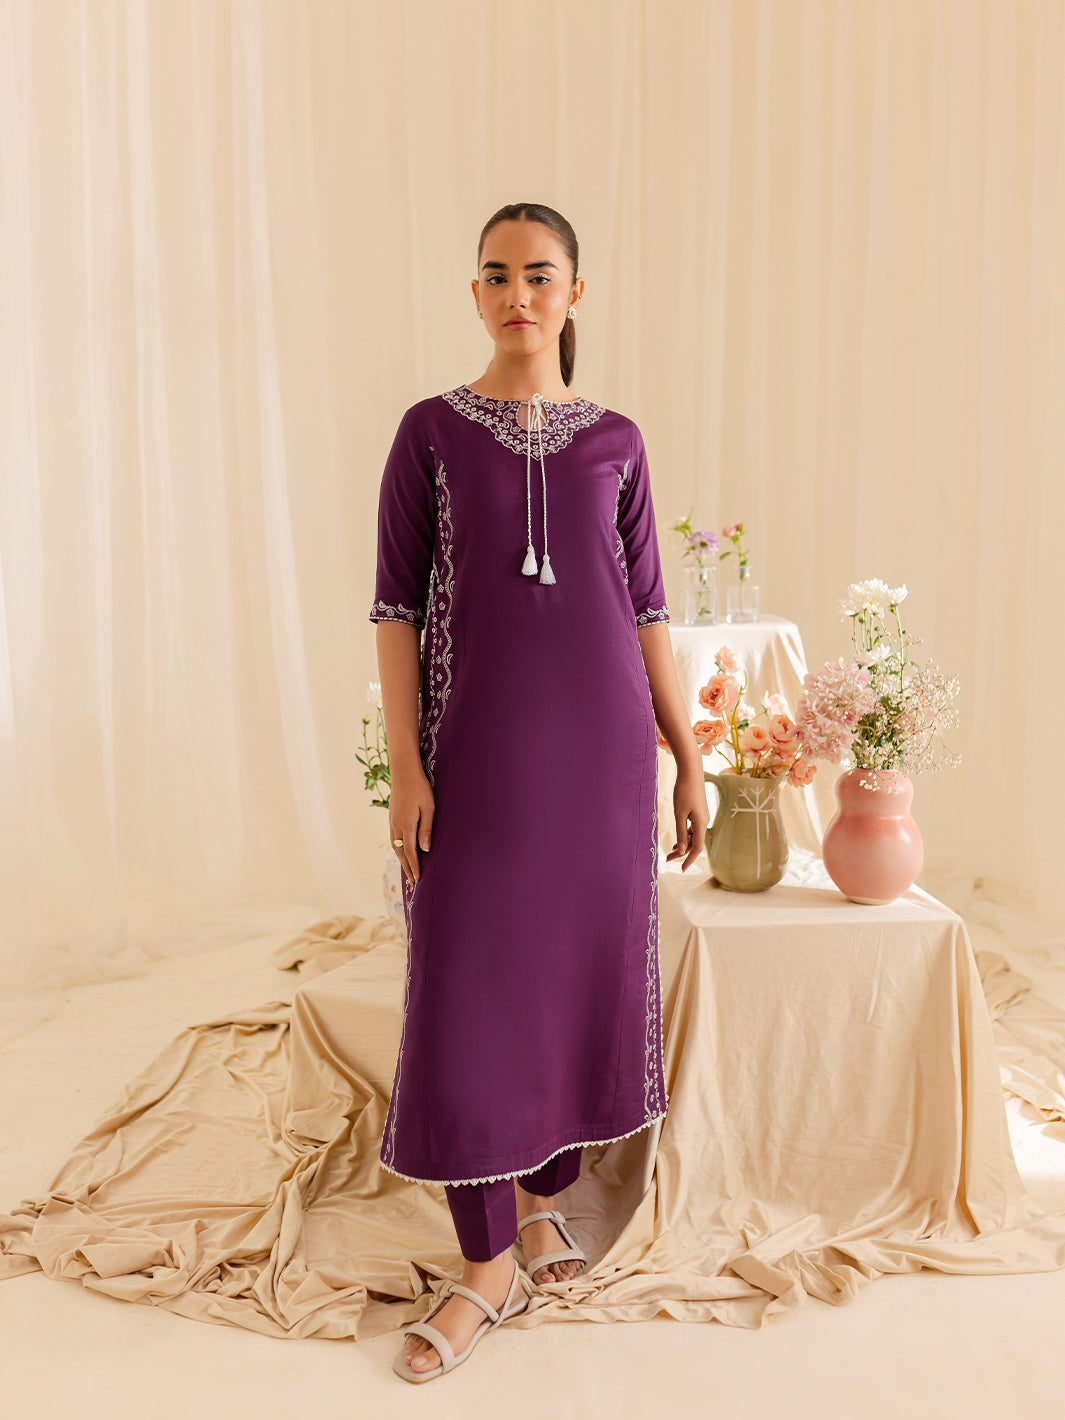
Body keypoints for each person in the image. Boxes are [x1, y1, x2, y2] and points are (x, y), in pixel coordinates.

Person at [370, 202, 709, 1382]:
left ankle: (537, 1202)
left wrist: (687, 753)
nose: (519, 294)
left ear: (575, 293)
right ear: (475, 293)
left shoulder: (616, 439)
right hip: (477, 759)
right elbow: (396, 609)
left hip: (602, 758)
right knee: (469, 990)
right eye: (498, 274)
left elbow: (649, 608)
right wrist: (407, 767)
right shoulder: (428, 433)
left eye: (541, 275)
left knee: (570, 979)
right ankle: (484, 1265)